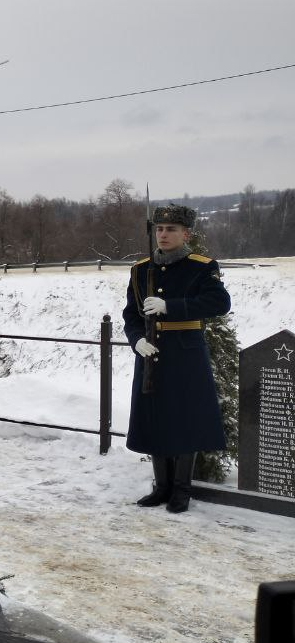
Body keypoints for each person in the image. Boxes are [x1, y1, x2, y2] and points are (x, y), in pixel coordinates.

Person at [123, 204, 231, 514]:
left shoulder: (201, 266)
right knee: (156, 415)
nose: (164, 234)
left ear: (186, 234)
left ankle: (182, 489)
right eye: (159, 229)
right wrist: (137, 340)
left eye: (171, 229)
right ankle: (162, 487)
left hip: (185, 353)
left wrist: (171, 306)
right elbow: (131, 313)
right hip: (151, 351)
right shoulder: (140, 269)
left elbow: (218, 302)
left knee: (185, 418)